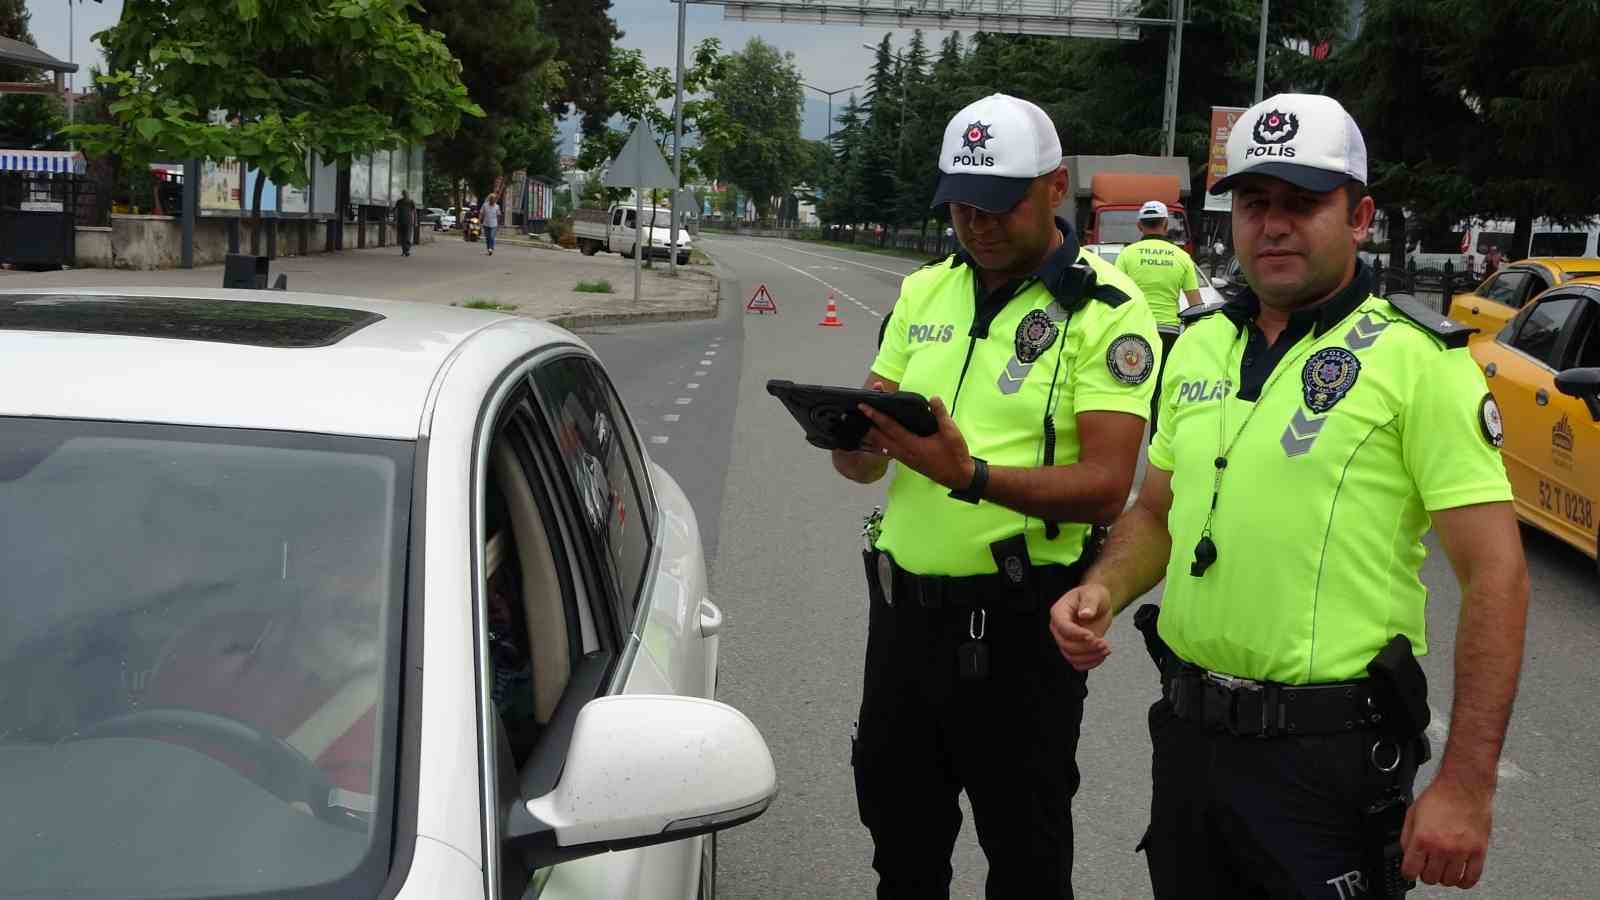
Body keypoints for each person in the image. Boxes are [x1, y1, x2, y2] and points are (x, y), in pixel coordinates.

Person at [1048, 93, 1529, 898]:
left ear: (1361, 216)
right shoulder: (1200, 344)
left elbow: (1497, 577)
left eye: (1303, 203)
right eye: (1255, 202)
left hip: (1330, 767)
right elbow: (1159, 513)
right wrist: (1100, 586)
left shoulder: (1421, 362)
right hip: (1191, 745)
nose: (1272, 224)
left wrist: (1467, 783)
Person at [833, 93, 1159, 898]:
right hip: (904, 624)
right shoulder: (924, 292)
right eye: (959, 205)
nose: (975, 223)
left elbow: (1109, 486)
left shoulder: (1106, 312)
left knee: (1026, 856)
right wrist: (851, 439)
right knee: (900, 847)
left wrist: (969, 476)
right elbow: (865, 465)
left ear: (1055, 187)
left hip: (1017, 630)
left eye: (997, 203)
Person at [1114, 200, 1204, 438]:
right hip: (1168, 334)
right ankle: (1157, 444)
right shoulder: (1182, 257)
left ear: (1140, 226)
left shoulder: (1127, 255)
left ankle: (1123, 443)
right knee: (1160, 392)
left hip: (1133, 333)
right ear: (1165, 224)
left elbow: (1116, 296)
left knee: (1128, 391)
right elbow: (1196, 305)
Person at [394, 190, 416, 257]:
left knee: (407, 237)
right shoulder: (399, 201)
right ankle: (404, 251)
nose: (406, 195)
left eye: (406, 193)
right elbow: (396, 210)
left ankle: (407, 250)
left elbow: (414, 212)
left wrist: (415, 221)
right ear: (403, 194)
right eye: (404, 194)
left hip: (409, 221)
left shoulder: (411, 202)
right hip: (400, 221)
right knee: (402, 237)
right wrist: (395, 219)